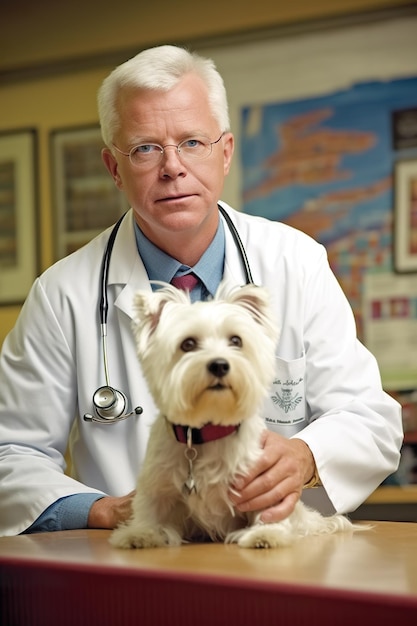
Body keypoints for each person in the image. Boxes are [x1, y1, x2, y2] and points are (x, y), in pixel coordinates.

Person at [0, 45, 402, 537]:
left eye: (192, 142)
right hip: (132, 570)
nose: (172, 167)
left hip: (274, 563)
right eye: (145, 147)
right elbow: (9, 453)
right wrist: (97, 510)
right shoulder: (63, 295)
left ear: (226, 152)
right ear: (113, 168)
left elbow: (370, 418)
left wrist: (304, 457)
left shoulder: (295, 263)